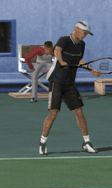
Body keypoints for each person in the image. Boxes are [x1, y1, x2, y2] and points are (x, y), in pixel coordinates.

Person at [39, 21, 100, 155]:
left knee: (79, 112)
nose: (85, 35)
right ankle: (42, 142)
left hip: (70, 84)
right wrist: (62, 62)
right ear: (76, 29)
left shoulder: (82, 45)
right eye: (84, 32)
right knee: (53, 113)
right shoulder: (64, 40)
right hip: (56, 82)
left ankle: (87, 142)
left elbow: (79, 60)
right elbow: (57, 50)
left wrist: (91, 70)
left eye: (87, 34)